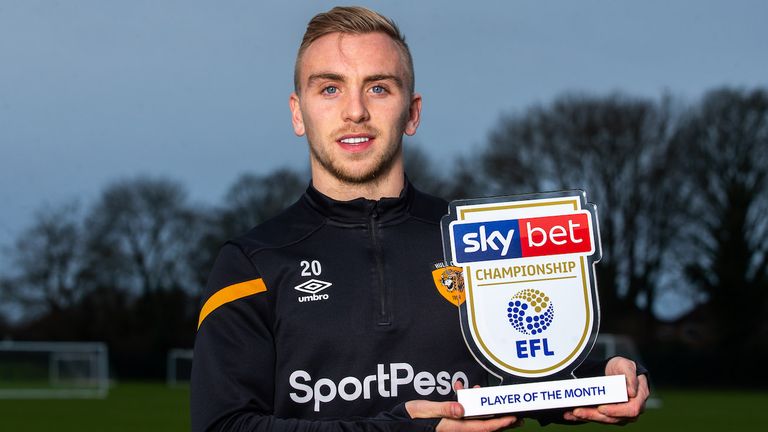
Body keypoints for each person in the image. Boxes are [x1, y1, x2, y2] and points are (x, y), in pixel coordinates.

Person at [191, 6, 649, 431]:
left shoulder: (479, 239)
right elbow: (223, 425)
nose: (355, 111)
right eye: (330, 88)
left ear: (412, 113)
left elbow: (528, 366)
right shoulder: (252, 263)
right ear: (298, 113)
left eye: (379, 87)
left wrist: (602, 378)